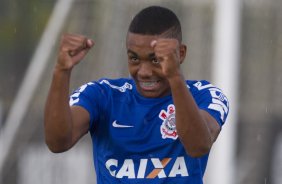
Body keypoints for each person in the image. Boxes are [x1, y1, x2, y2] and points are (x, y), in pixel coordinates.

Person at [44, 5, 229, 184]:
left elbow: (198, 146)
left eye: (155, 60)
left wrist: (175, 77)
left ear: (180, 54)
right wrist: (61, 71)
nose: (144, 71)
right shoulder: (103, 95)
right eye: (134, 59)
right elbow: (58, 142)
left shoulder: (205, 95)